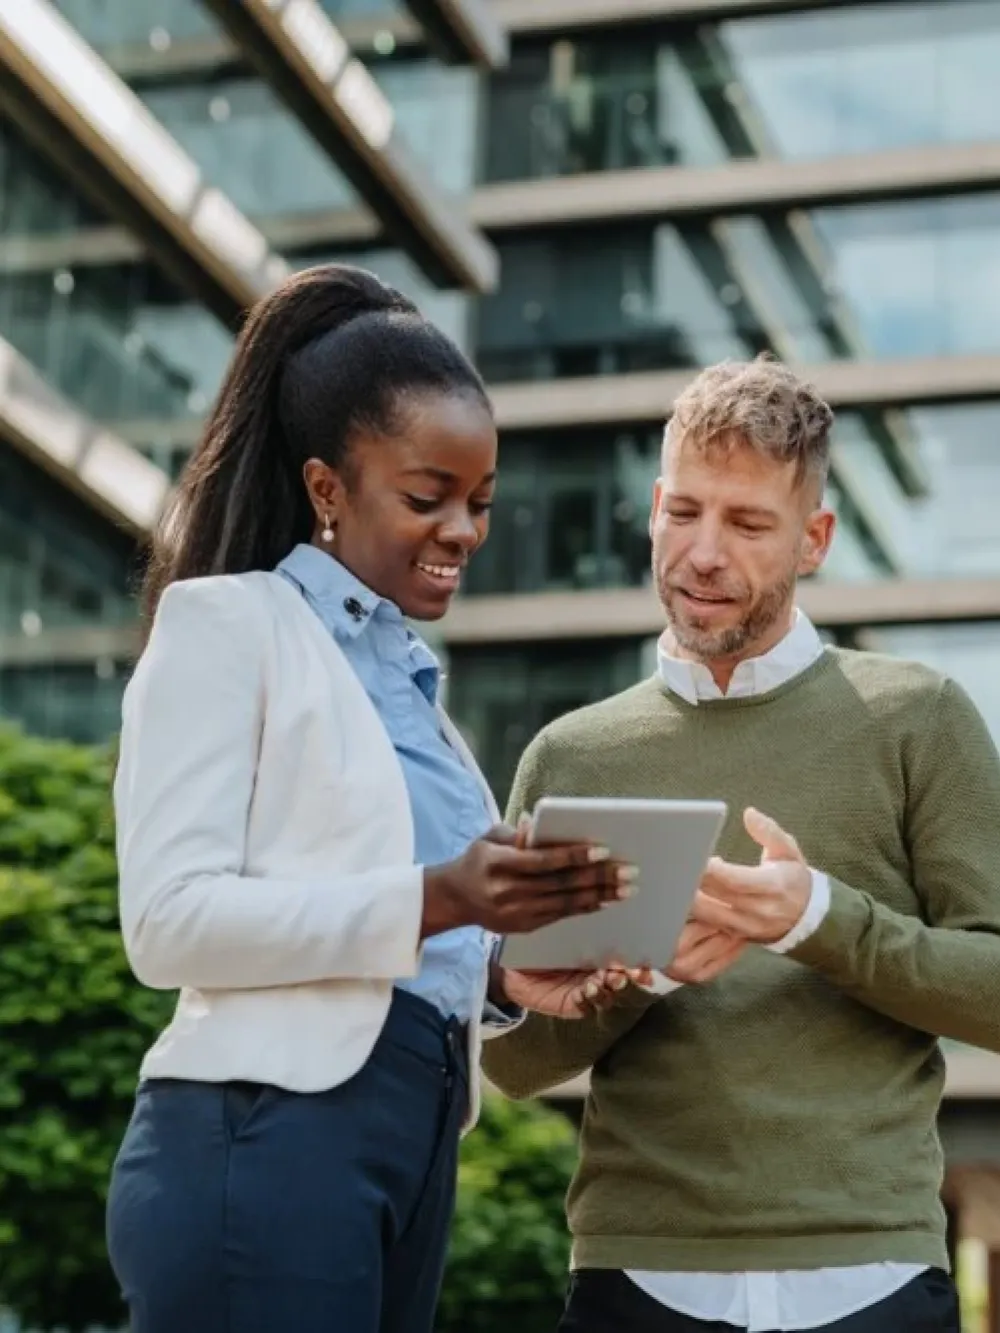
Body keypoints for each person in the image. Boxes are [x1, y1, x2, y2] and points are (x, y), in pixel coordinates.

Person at [106, 264, 640, 1333]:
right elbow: (166, 923)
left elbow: (394, 929)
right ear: (327, 488)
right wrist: (444, 894)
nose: (463, 530)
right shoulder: (229, 626)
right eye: (426, 497)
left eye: (479, 503)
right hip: (268, 1139)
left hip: (409, 1144)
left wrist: (504, 974)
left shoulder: (412, 689)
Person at [481, 356, 1000, 1333]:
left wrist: (819, 920)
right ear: (653, 511)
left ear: (814, 540)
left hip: (872, 1278)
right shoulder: (570, 756)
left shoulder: (919, 719)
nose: (704, 553)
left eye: (749, 523)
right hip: (637, 1281)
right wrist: (644, 971)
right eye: (683, 512)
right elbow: (515, 1061)